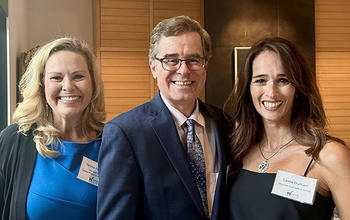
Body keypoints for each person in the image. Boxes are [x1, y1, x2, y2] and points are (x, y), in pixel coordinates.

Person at [97, 15, 231, 220]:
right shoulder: (125, 133)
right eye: (171, 60)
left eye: (194, 59)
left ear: (205, 66)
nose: (184, 70)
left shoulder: (225, 124)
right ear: (153, 67)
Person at [225, 37, 350, 219]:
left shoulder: (330, 156)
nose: (271, 92)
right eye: (260, 80)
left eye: (283, 80)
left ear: (298, 89)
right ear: (248, 89)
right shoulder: (235, 150)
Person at [0, 37, 106, 220]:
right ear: (42, 85)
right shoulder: (13, 141)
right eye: (56, 77)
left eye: (78, 76)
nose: (68, 86)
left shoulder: (113, 144)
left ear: (93, 83)